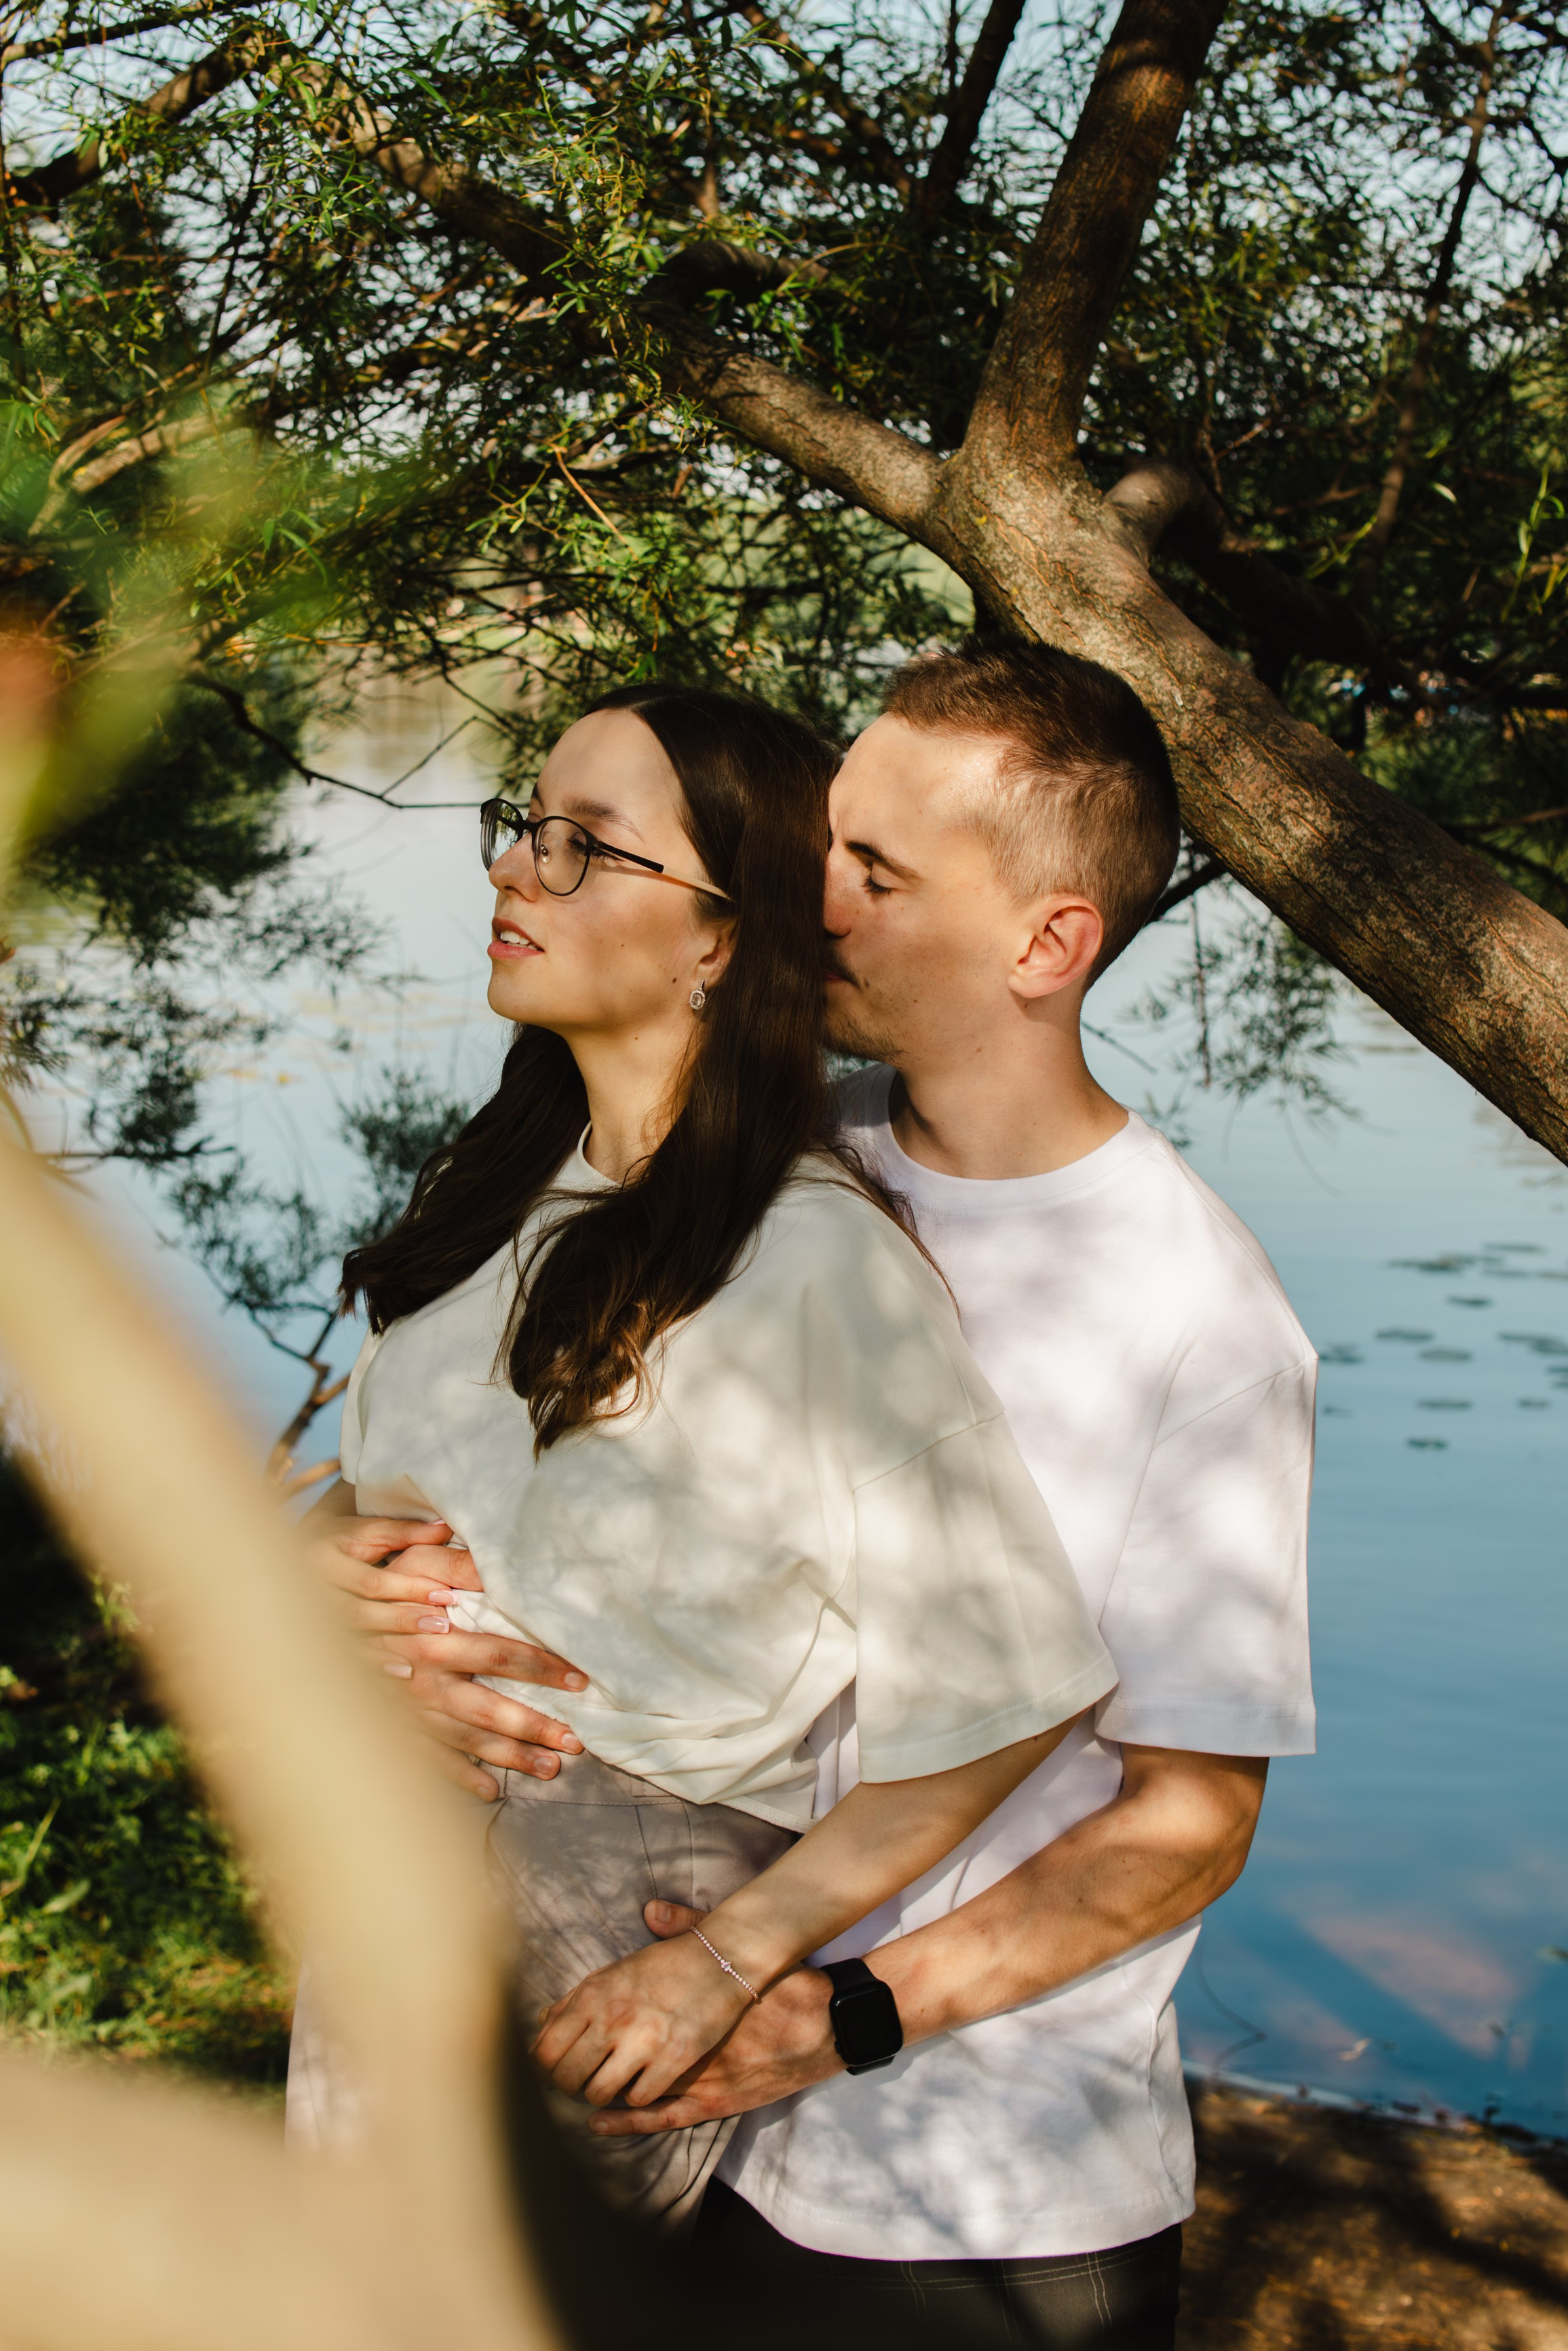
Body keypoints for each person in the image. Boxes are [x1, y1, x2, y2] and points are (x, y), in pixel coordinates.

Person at [323, 642, 1316, 2350]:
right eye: (811, 854)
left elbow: (1186, 1825)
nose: (816, 903)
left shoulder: (1198, 1317)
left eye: (868, 872)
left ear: (1044, 942)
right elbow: (492, 1476)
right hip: (681, 2107)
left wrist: (822, 2010)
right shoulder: (768, 1157)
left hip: (971, 2192)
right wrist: (360, 1603)